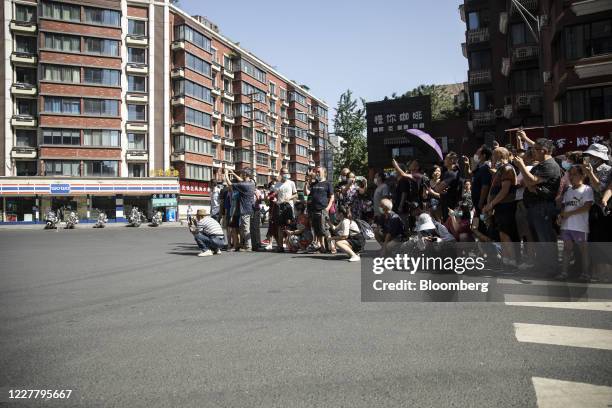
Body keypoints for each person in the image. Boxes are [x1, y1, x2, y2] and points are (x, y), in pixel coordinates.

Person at [514, 138, 561, 274]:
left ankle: (551, 268)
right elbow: (529, 183)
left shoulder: (549, 165)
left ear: (544, 151)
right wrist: (530, 183)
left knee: (545, 238)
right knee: (537, 238)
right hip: (534, 206)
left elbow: (531, 180)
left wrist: (522, 165)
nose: (532, 152)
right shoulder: (540, 165)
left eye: (535, 149)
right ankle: (542, 266)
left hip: (542, 206)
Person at [555, 165, 593, 281]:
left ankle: (585, 274)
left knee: (583, 251)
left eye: (574, 174)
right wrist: (561, 216)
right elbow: (564, 206)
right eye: (570, 174)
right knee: (566, 250)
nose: (571, 177)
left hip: (580, 227)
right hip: (566, 226)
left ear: (583, 175)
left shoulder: (587, 189)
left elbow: (586, 207)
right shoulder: (568, 190)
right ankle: (564, 273)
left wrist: (569, 214)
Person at [484, 147, 519, 266]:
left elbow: (505, 190)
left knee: (506, 233)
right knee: (502, 234)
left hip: (506, 205)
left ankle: (512, 260)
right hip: (500, 206)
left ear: (499, 156)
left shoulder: (507, 168)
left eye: (493, 155)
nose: (492, 158)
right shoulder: (501, 169)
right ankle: (506, 260)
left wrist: (491, 204)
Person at [224, 168, 255, 251]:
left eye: (242, 173)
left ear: (246, 175)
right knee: (244, 228)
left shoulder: (244, 185)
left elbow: (230, 184)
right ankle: (245, 245)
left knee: (245, 228)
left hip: (245, 209)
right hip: (248, 208)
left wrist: (226, 175)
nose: (241, 174)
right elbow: (241, 180)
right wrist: (233, 173)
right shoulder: (251, 183)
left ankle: (248, 247)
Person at [305, 166, 334, 253]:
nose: (317, 173)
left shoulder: (327, 183)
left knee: (324, 229)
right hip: (314, 209)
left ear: (324, 173)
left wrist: (328, 208)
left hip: (323, 209)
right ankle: (322, 247)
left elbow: (332, 197)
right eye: (316, 172)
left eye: (318, 172)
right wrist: (306, 183)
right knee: (317, 230)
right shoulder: (314, 183)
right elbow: (307, 193)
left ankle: (332, 246)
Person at [272, 167, 298, 252]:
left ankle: (291, 245)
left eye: (286, 173)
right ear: (280, 173)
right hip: (280, 207)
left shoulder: (291, 183)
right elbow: (275, 195)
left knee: (289, 225)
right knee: (280, 227)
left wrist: (289, 198)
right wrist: (275, 199)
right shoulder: (277, 184)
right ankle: (280, 246)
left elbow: (296, 195)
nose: (285, 174)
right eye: (283, 173)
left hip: (289, 207)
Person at [471, 146, 492, 217]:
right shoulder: (479, 167)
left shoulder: (485, 168)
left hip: (482, 204)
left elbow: (485, 186)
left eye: (478, 153)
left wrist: (481, 202)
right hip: (476, 202)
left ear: (484, 156)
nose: (475, 155)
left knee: (483, 222)